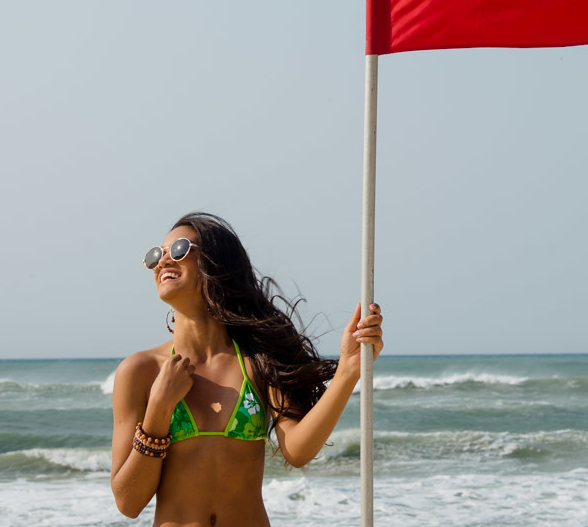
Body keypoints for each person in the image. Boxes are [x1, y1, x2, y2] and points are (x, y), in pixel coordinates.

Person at [110, 212, 385, 526]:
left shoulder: (258, 359)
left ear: (218, 262)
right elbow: (127, 502)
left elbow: (297, 451)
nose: (163, 262)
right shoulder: (140, 371)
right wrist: (158, 409)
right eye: (157, 255)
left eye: (180, 250)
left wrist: (348, 372)